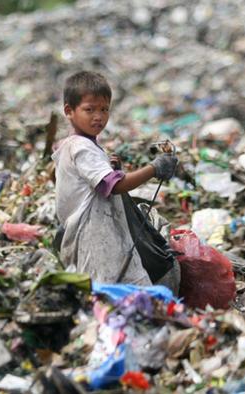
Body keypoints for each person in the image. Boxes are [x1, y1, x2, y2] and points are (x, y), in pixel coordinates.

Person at [52, 71, 179, 289]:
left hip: (93, 232)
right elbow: (115, 186)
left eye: (104, 109)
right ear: (69, 111)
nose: (98, 116)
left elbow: (92, 181)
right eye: (89, 109)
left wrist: (110, 167)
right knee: (116, 290)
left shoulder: (79, 145)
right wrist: (154, 168)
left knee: (109, 289)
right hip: (94, 234)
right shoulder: (81, 147)